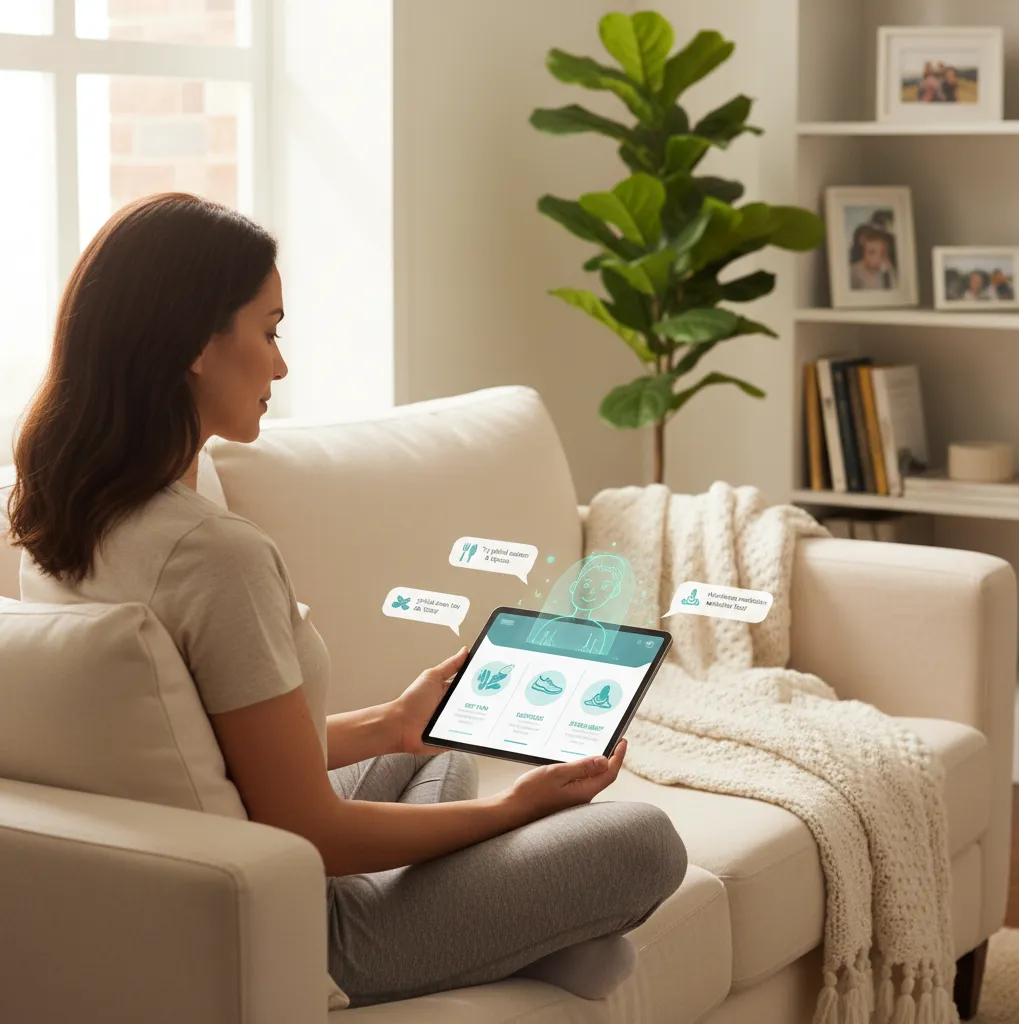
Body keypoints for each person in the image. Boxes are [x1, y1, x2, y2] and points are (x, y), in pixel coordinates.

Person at [3, 193, 687, 1010]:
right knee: (643, 841)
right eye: (270, 331)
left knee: (437, 749)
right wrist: (516, 809)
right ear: (195, 345)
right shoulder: (214, 557)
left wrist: (389, 723)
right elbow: (314, 834)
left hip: (177, 895)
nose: (281, 366)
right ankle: (509, 936)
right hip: (302, 931)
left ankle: (498, 923)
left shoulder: (55, 520)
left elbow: (195, 750)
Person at [849, 225, 896, 290]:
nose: (878, 257)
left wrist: (887, 274)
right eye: (871, 252)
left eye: (882, 253)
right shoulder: (853, 271)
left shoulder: (886, 271)